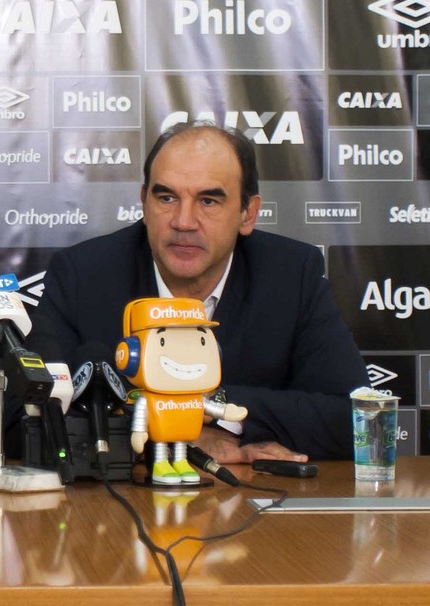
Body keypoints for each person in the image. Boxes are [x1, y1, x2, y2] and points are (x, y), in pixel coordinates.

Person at [19, 121, 368, 464]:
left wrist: (213, 410)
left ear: (248, 214)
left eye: (209, 201)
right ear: (144, 202)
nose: (184, 222)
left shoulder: (291, 274)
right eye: (166, 197)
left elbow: (355, 418)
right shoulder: (83, 274)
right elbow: (28, 422)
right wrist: (176, 437)